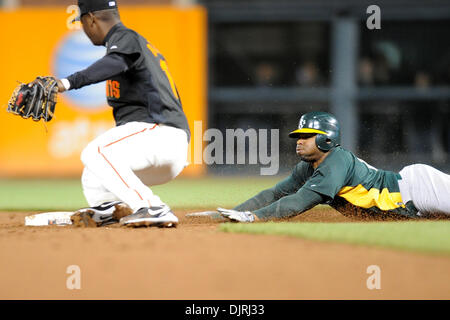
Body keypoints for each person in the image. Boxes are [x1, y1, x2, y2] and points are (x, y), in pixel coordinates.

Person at [56, 0, 190, 227]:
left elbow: (114, 62)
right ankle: (109, 208)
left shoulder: (125, 38)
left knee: (95, 151)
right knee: (94, 172)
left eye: (82, 23)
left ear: (91, 20)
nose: (85, 29)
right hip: (160, 144)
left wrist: (67, 83)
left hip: (161, 135)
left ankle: (152, 207)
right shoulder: (132, 44)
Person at [218, 111, 450, 222]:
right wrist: (234, 212)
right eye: (298, 136)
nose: (299, 141)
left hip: (417, 188)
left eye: (307, 136)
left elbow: (300, 201)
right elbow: (275, 193)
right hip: (409, 202)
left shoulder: (336, 161)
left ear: (325, 139)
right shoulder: (308, 167)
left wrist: (253, 217)